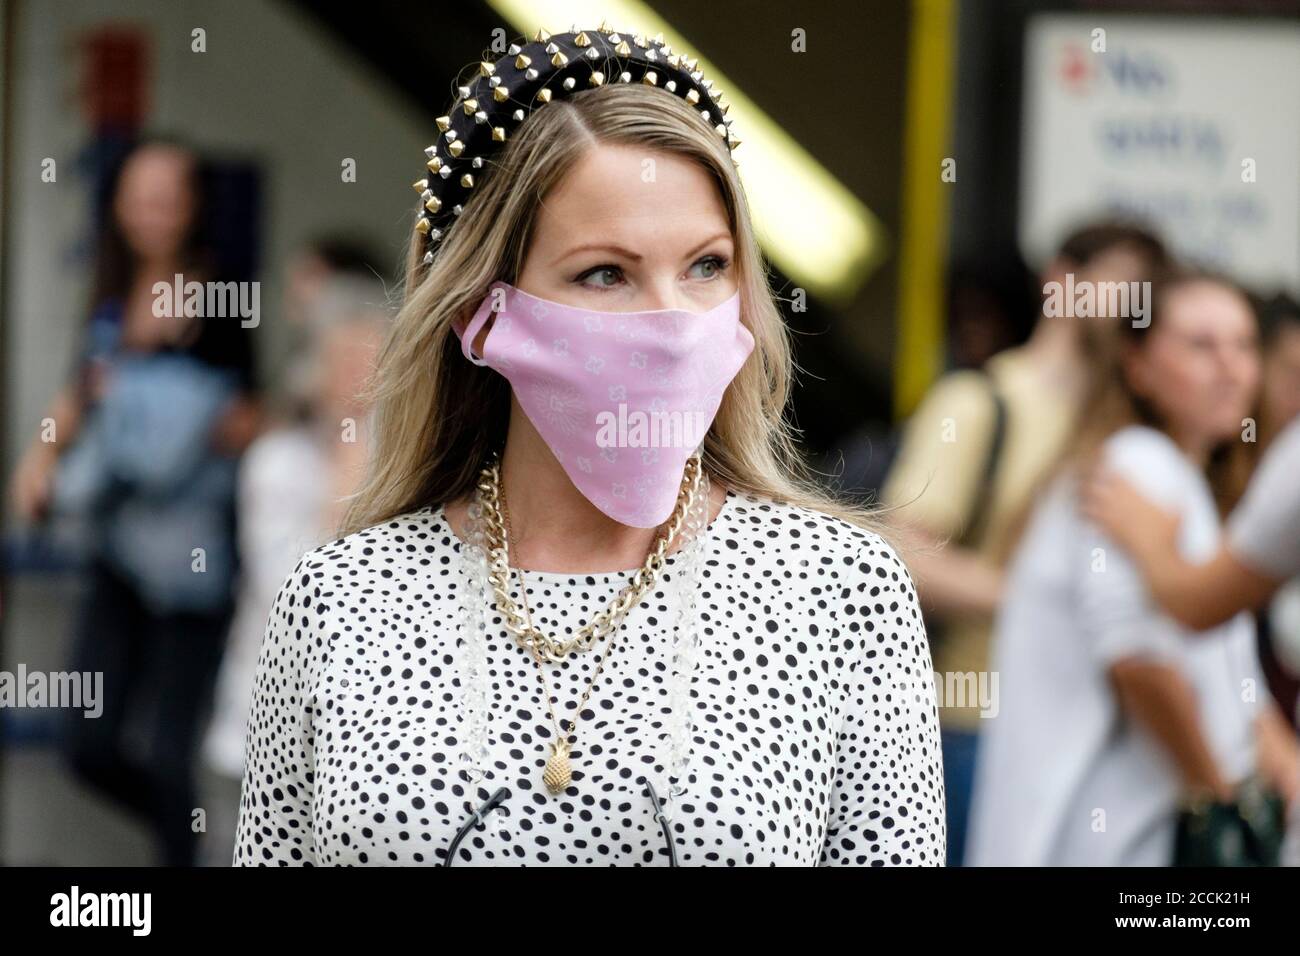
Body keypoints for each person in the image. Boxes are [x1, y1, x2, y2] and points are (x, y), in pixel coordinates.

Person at [232, 26, 945, 867]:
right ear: (480, 312)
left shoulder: (838, 593)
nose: (674, 321)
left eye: (708, 267)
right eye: (605, 273)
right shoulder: (340, 598)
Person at [966, 270, 1299, 866]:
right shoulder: (1137, 467)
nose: (1230, 366)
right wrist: (1224, 800)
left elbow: (1227, 682)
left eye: (1244, 344)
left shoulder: (1178, 478)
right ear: (1138, 367)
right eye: (1201, 345)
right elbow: (1139, 663)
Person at [7, 136, 261, 866]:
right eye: (138, 196)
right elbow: (76, 399)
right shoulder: (110, 304)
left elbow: (247, 418)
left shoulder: (220, 299)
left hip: (192, 561)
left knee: (175, 750)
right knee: (88, 743)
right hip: (120, 549)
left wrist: (170, 422)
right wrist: (42, 455)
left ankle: (187, 847)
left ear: (190, 208)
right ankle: (201, 837)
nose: (150, 212)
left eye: (166, 197)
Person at [880, 222, 1168, 863]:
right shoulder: (978, 401)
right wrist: (1048, 600)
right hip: (971, 727)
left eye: (1148, 289)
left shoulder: (1128, 425)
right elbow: (903, 555)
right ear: (1060, 280)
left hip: (1085, 742)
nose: (1136, 302)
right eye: (1123, 281)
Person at [199, 277, 388, 865]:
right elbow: (301, 594)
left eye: (372, 361)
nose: (358, 381)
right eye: (343, 361)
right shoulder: (275, 462)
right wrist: (349, 460)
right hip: (261, 737)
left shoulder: (410, 465)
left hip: (369, 752)